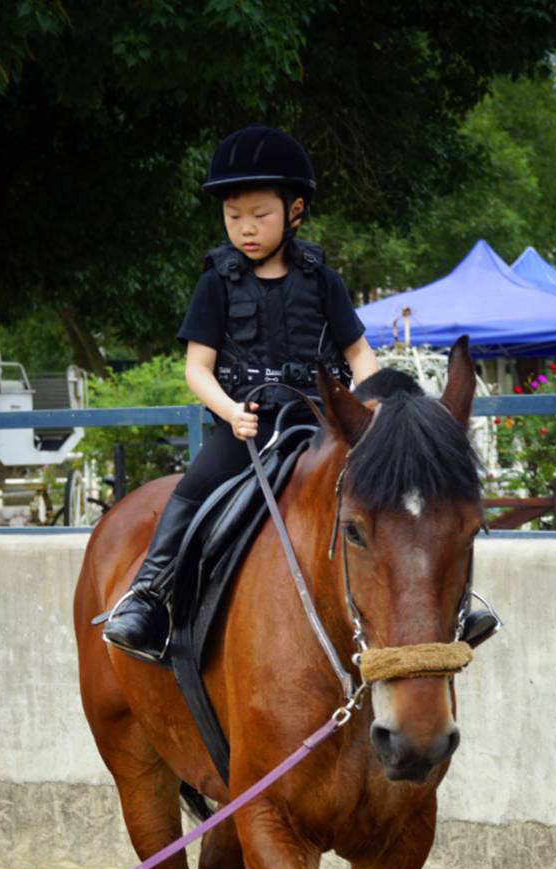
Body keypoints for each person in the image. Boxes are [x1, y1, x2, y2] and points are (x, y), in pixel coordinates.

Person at [104, 125, 379, 660]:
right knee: (193, 490)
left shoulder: (323, 281)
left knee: (394, 489)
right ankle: (148, 597)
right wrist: (230, 413)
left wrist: (370, 408)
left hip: (319, 422)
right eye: (234, 218)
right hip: (246, 425)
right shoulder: (216, 283)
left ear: (294, 211)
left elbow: (360, 356)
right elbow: (197, 369)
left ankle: (456, 605)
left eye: (260, 215)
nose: (246, 229)